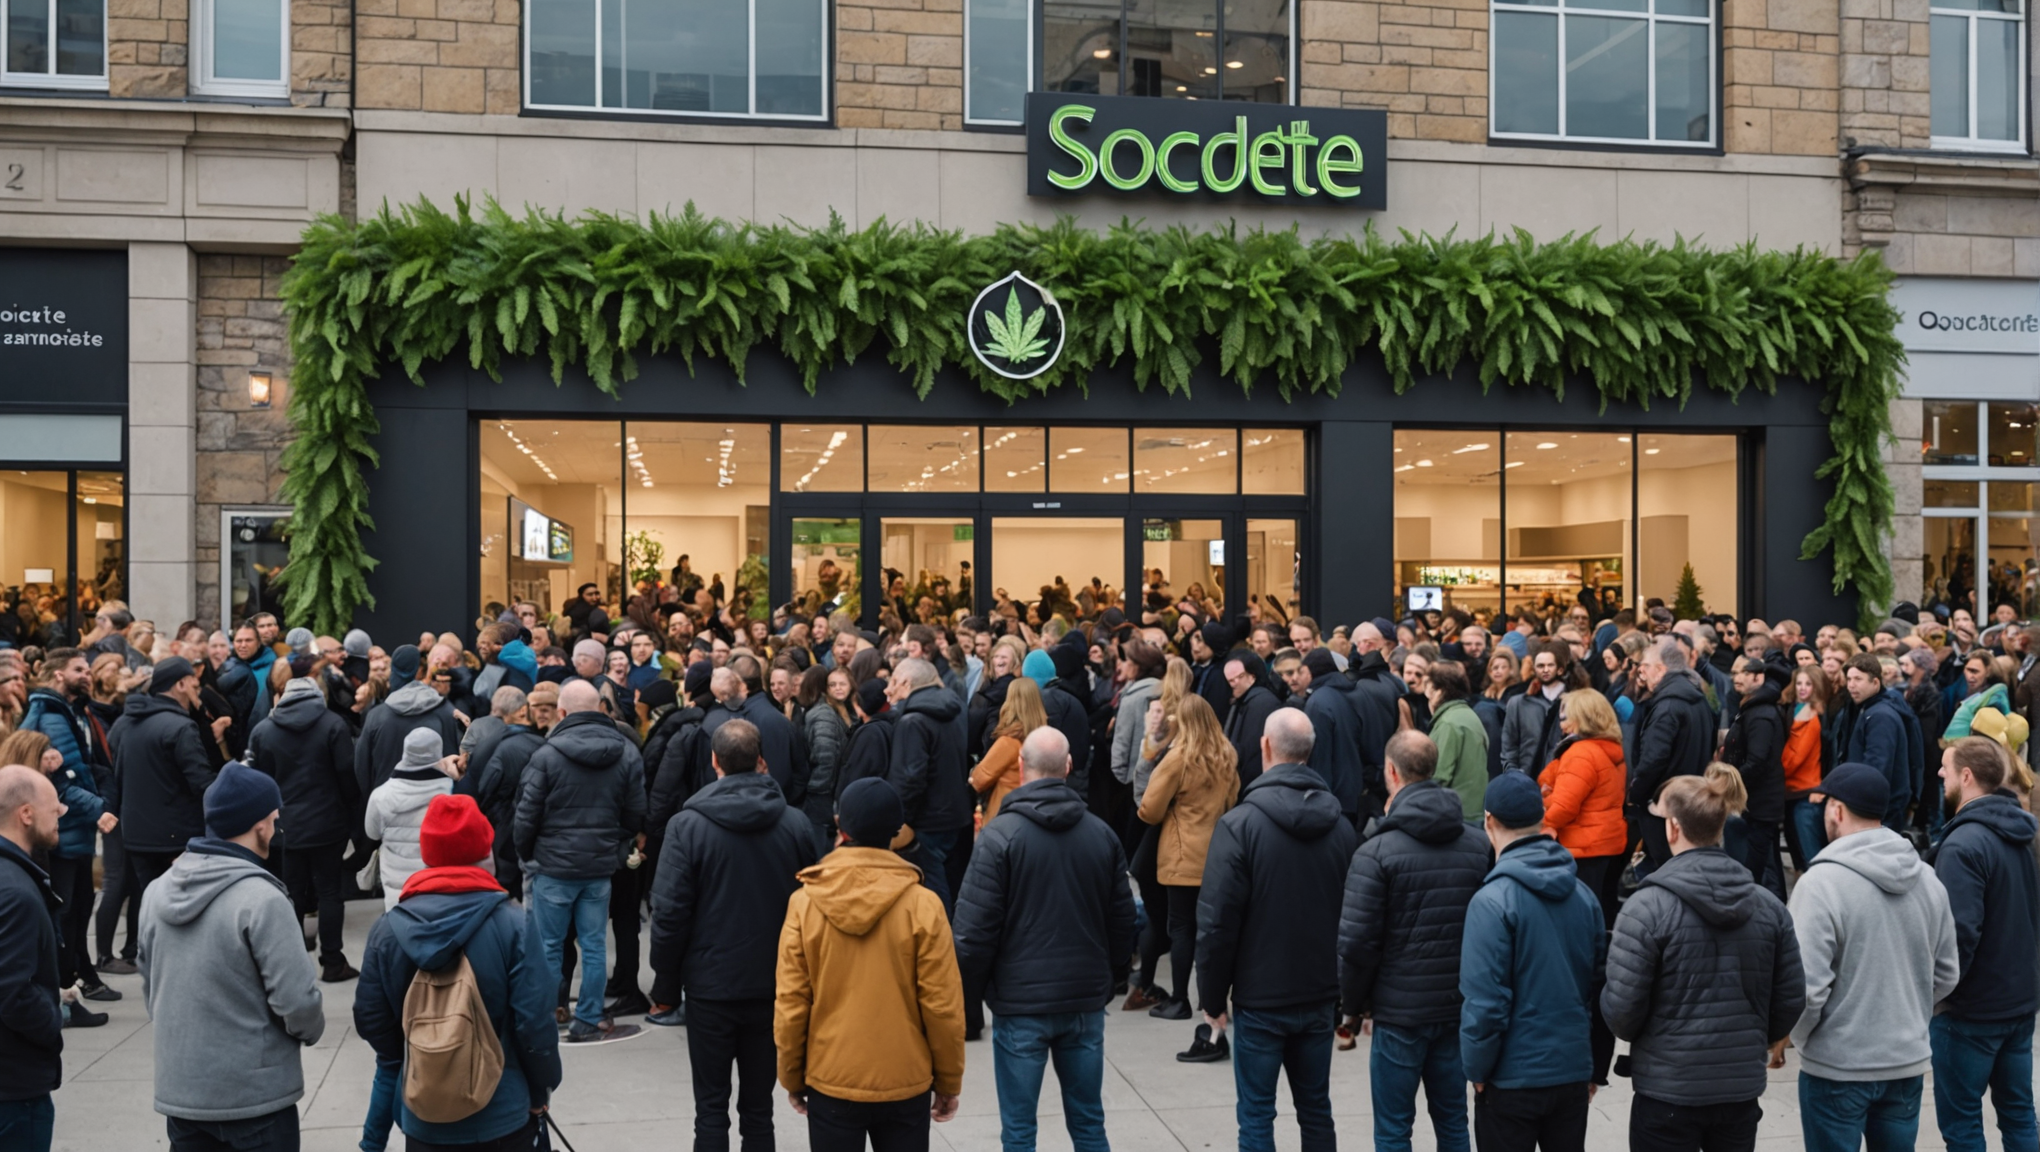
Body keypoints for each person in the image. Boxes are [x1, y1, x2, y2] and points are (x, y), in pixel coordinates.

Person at [1600, 764, 1804, 1152]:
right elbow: (1790, 998)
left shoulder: (1647, 907)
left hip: (1667, 1089)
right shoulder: (1768, 906)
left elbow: (1623, 1013)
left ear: (1674, 828)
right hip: (1739, 1089)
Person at [953, 727, 1136, 1152]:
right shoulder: (1101, 835)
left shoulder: (999, 837)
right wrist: (1108, 977)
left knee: (1019, 1130)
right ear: (1069, 766)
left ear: (1019, 767)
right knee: (1089, 1122)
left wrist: (973, 995)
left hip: (1021, 1004)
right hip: (1083, 1001)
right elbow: (1124, 919)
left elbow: (972, 933)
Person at [353, 794, 563, 1152]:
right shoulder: (514, 925)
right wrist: (541, 1087)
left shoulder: (388, 931)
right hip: (503, 1112)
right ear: (484, 850)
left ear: (428, 852)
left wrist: (422, 1058)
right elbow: (534, 1023)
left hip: (424, 1116)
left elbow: (371, 1018)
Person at [650, 718, 818, 1152]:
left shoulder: (687, 827)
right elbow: (815, 905)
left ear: (713, 762)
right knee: (759, 1106)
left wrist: (666, 982)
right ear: (762, 761)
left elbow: (669, 912)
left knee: (710, 1106)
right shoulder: (795, 825)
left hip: (711, 985)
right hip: (774, 982)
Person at [137, 761, 324, 1152]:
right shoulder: (262, 899)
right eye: (274, 818)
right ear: (260, 825)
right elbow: (298, 1001)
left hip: (183, 1093)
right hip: (254, 1098)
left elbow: (151, 986)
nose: (276, 827)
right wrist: (310, 1029)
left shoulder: (155, 892)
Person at [1195, 708, 1358, 1149]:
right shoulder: (1342, 828)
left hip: (1261, 995)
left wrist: (1212, 998)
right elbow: (1355, 916)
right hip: (1320, 992)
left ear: (1264, 746)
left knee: (1255, 1115)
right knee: (1316, 1109)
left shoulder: (1239, 826)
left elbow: (1216, 922)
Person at [775, 777, 965, 1152]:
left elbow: (792, 1002)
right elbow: (942, 1007)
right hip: (904, 1079)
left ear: (840, 827)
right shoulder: (923, 905)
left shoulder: (805, 903)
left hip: (831, 1077)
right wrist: (948, 1082)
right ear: (896, 833)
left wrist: (792, 1076)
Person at [1785, 763, 1959, 1152]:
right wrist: (1907, 1013)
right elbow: (1947, 972)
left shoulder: (1820, 884)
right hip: (1906, 1062)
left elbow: (1806, 988)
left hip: (1836, 1067)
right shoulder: (1927, 879)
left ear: (1837, 810)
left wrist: (1798, 1039)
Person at [1338, 730, 1490, 1152]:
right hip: (1457, 1006)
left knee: (1392, 1130)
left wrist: (1353, 1006)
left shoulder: (1376, 852)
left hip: (1399, 1011)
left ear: (1391, 772)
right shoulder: (1478, 845)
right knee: (1454, 1123)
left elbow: (1356, 942)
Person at [1459, 771, 1605, 1152]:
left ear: (1489, 821)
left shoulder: (1492, 902)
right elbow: (1600, 986)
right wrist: (1595, 1066)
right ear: (1541, 818)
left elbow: (1485, 1002)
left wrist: (1477, 1068)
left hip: (1511, 1078)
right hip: (1571, 1070)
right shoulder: (1584, 896)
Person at [513, 678, 647, 1043]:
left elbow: (526, 816)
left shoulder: (546, 754)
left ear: (561, 712)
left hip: (553, 866)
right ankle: (588, 1015)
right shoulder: (626, 752)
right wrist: (616, 847)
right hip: (599, 866)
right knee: (593, 944)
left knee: (548, 947)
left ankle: (543, 1016)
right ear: (601, 708)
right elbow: (635, 813)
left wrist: (528, 853)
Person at [1928, 737, 2040, 1152]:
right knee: (2019, 1115)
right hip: (2019, 1002)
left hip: (1970, 1012)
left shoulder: (1963, 845)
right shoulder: (2024, 835)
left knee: (1962, 1127)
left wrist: (1936, 995)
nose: (1940, 773)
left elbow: (1958, 935)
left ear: (1967, 777)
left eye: (1946, 766)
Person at [16, 650, 120, 1007]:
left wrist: (103, 799)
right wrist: (97, 810)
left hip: (75, 827)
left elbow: (90, 767)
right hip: (60, 827)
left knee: (78, 907)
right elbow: (60, 780)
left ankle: (80, 979)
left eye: (88, 668)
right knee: (65, 911)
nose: (87, 675)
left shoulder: (74, 710)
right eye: (79, 669)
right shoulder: (49, 715)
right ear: (58, 675)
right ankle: (66, 990)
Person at [245, 674, 361, 982]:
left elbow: (254, 780)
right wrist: (351, 812)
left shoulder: (264, 730)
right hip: (327, 825)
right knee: (330, 893)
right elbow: (346, 773)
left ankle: (292, 966)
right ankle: (333, 962)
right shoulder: (333, 725)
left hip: (283, 828)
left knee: (290, 895)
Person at [1136, 693, 1240, 1023]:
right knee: (1211, 930)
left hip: (1181, 857)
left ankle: (1180, 998)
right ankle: (1214, 999)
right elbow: (1232, 801)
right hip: (1217, 855)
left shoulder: (1179, 757)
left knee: (1181, 928)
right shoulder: (1227, 754)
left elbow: (1149, 810)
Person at [108, 657, 218, 891]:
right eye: (194, 686)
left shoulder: (123, 724)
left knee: (146, 904)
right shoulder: (180, 727)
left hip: (136, 835)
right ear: (180, 685)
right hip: (176, 837)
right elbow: (203, 783)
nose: (196, 693)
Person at [0, 764, 65, 1152]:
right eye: (54, 807)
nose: (61, 815)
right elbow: (11, 992)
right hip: (14, 1088)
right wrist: (53, 1020)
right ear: (26, 814)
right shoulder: (16, 892)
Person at [885, 658, 972, 913]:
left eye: (893, 682)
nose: (889, 689)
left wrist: (899, 821)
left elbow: (909, 778)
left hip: (926, 821)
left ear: (906, 683)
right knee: (949, 885)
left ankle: (943, 944)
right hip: (955, 814)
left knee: (931, 889)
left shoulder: (912, 721)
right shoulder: (955, 710)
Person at [1537, 691, 1627, 927]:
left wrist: (1543, 817)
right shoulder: (1609, 748)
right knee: (1602, 908)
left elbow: (1564, 807)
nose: (1562, 723)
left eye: (1567, 717)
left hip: (1582, 847)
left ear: (1581, 718)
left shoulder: (1581, 753)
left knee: (1581, 916)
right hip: (1606, 843)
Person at [1629, 640, 1715, 867]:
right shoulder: (1697, 699)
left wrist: (1635, 794)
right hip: (1690, 800)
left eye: (1645, 666)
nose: (1641, 671)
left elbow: (1653, 760)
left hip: (1664, 808)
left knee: (1669, 869)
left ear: (1660, 669)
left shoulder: (1667, 707)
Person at [1719, 657, 1789, 896]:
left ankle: (1768, 911)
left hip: (1760, 802)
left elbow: (1757, 761)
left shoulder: (1761, 713)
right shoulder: (1752, 707)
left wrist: (1729, 783)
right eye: (1734, 672)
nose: (1736, 677)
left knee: (1760, 865)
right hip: (1756, 800)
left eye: (1742, 673)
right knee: (1766, 862)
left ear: (1758, 678)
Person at [364, 728, 456, 910]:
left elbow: (372, 834)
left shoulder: (381, 795)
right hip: (438, 883)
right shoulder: (452, 793)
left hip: (396, 888)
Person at [354, 644, 462, 794]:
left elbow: (362, 769)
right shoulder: (445, 711)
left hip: (387, 803)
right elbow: (454, 762)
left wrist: (372, 799)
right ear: (418, 668)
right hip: (433, 804)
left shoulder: (377, 716)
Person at [1839, 653, 1924, 833]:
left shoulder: (1880, 716)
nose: (1851, 685)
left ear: (1875, 683)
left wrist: (1861, 806)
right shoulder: (1869, 709)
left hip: (1879, 809)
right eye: (1849, 679)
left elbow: (1877, 766)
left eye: (1858, 679)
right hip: (1880, 806)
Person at [970, 675, 1045, 825]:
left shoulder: (1008, 742)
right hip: (1036, 811)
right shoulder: (1045, 737)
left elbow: (979, 780)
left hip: (1005, 814)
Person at [1424, 661, 1488, 821]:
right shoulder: (1469, 716)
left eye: (1429, 689)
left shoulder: (1449, 723)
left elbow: (1439, 776)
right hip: (1473, 815)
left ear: (1439, 691)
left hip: (1455, 818)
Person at [1221, 654, 1282, 788]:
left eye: (1240, 676)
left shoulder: (1261, 704)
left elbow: (1252, 754)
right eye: (1231, 679)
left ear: (1253, 677)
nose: (1234, 682)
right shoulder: (1246, 700)